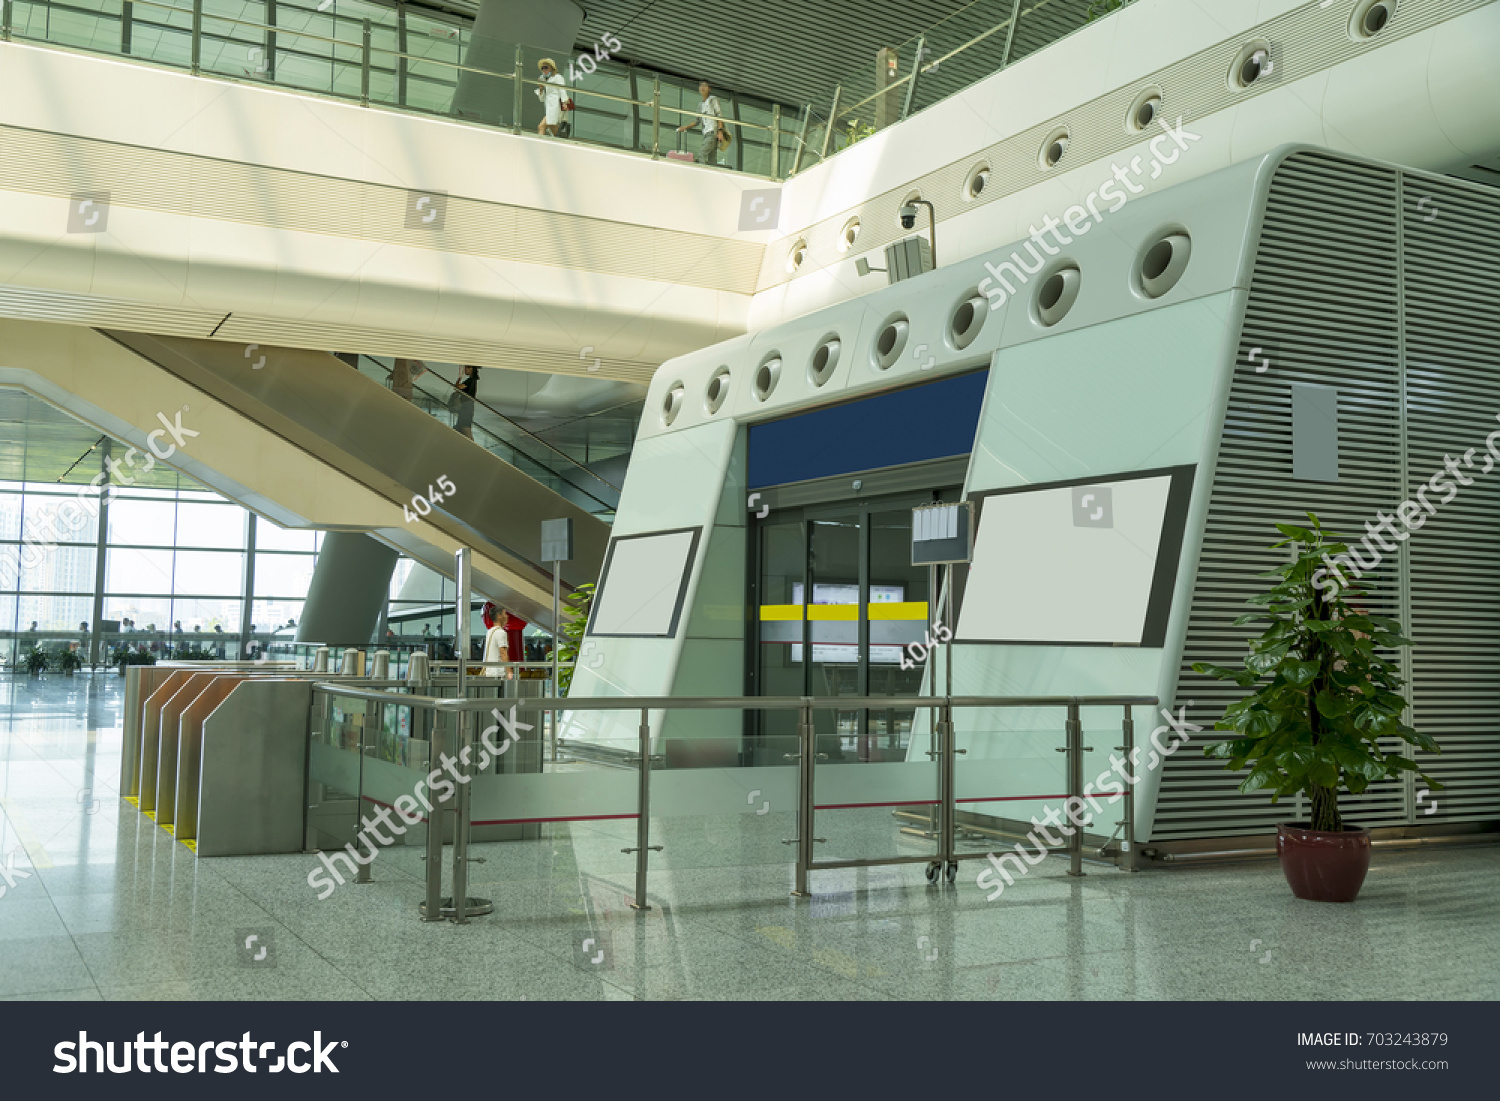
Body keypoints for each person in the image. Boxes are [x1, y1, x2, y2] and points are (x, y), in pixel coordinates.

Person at [677, 81, 725, 165]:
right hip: (706, 134)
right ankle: (712, 175)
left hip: (712, 133)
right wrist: (686, 127)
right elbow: (697, 121)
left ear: (709, 89)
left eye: (705, 86)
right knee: (712, 160)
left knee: (701, 154)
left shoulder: (713, 100)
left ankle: (702, 172)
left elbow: (719, 116)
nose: (702, 87)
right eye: (700, 85)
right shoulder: (700, 105)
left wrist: (720, 131)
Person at [535, 59, 568, 137]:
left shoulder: (557, 77)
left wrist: (564, 102)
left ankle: (540, 143)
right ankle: (560, 141)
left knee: (541, 126)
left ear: (551, 68)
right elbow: (541, 99)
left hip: (556, 105)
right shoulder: (544, 79)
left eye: (546, 67)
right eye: (542, 68)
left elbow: (562, 89)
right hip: (549, 105)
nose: (544, 70)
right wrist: (541, 88)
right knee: (553, 128)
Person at [453, 365, 480, 439]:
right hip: (467, 409)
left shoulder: (470, 381)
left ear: (470, 368)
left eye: (465, 368)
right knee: (464, 429)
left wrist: (458, 379)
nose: (464, 370)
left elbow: (457, 388)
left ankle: (473, 448)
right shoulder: (472, 380)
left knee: (465, 429)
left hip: (466, 410)